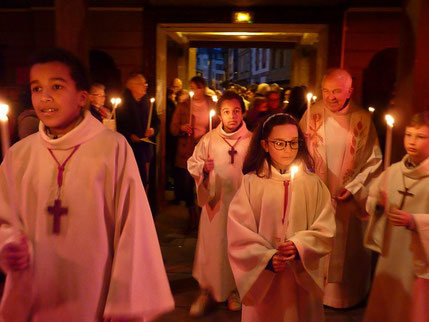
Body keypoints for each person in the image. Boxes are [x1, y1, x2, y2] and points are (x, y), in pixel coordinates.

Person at [0, 48, 174, 321]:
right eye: (36, 88)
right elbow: (5, 219)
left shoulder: (111, 148)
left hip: (94, 291)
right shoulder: (19, 155)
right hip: (36, 291)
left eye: (56, 86)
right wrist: (7, 245)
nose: (45, 97)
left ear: (82, 97)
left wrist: (124, 301)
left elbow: (133, 228)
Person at [228, 113, 335, 321]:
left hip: (299, 281)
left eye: (293, 143)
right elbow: (238, 232)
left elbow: (326, 229)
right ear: (265, 145)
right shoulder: (251, 184)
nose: (288, 149)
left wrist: (300, 246)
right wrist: (266, 259)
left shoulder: (313, 185)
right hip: (266, 280)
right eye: (280, 143)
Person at [299, 68, 382, 308]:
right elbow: (299, 152)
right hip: (318, 196)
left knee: (347, 251)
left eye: (336, 91)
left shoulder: (362, 119)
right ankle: (314, 291)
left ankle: (345, 298)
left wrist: (355, 188)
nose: (330, 97)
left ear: (350, 91)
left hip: (347, 201)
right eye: (326, 91)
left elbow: (373, 161)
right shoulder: (311, 115)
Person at [187, 91, 252, 317]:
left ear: (242, 112)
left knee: (238, 248)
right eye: (226, 112)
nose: (231, 116)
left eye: (236, 111)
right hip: (216, 203)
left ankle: (235, 290)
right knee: (213, 248)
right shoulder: (208, 140)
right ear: (220, 115)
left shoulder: (251, 141)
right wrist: (203, 169)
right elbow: (192, 163)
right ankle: (209, 289)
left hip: (242, 205)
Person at [364, 111, 429, 322]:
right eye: (409, 134)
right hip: (390, 254)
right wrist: (379, 205)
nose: (412, 141)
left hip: (417, 257)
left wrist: (414, 221)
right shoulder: (393, 171)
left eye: (421, 136)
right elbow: (371, 200)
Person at [170, 76, 215, 230]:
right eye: (192, 87)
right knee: (188, 184)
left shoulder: (211, 104)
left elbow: (217, 124)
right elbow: (173, 128)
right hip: (187, 149)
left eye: (197, 87)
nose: (194, 91)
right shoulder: (183, 106)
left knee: (205, 183)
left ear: (203, 88)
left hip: (205, 148)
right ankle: (192, 215)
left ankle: (204, 215)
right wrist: (182, 127)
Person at [116, 73, 159, 189]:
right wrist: (130, 136)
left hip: (145, 149)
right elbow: (117, 125)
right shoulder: (122, 104)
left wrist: (153, 130)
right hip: (130, 149)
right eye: (141, 84)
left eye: (145, 83)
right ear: (132, 86)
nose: (145, 86)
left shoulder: (147, 102)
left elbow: (156, 121)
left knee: (145, 180)